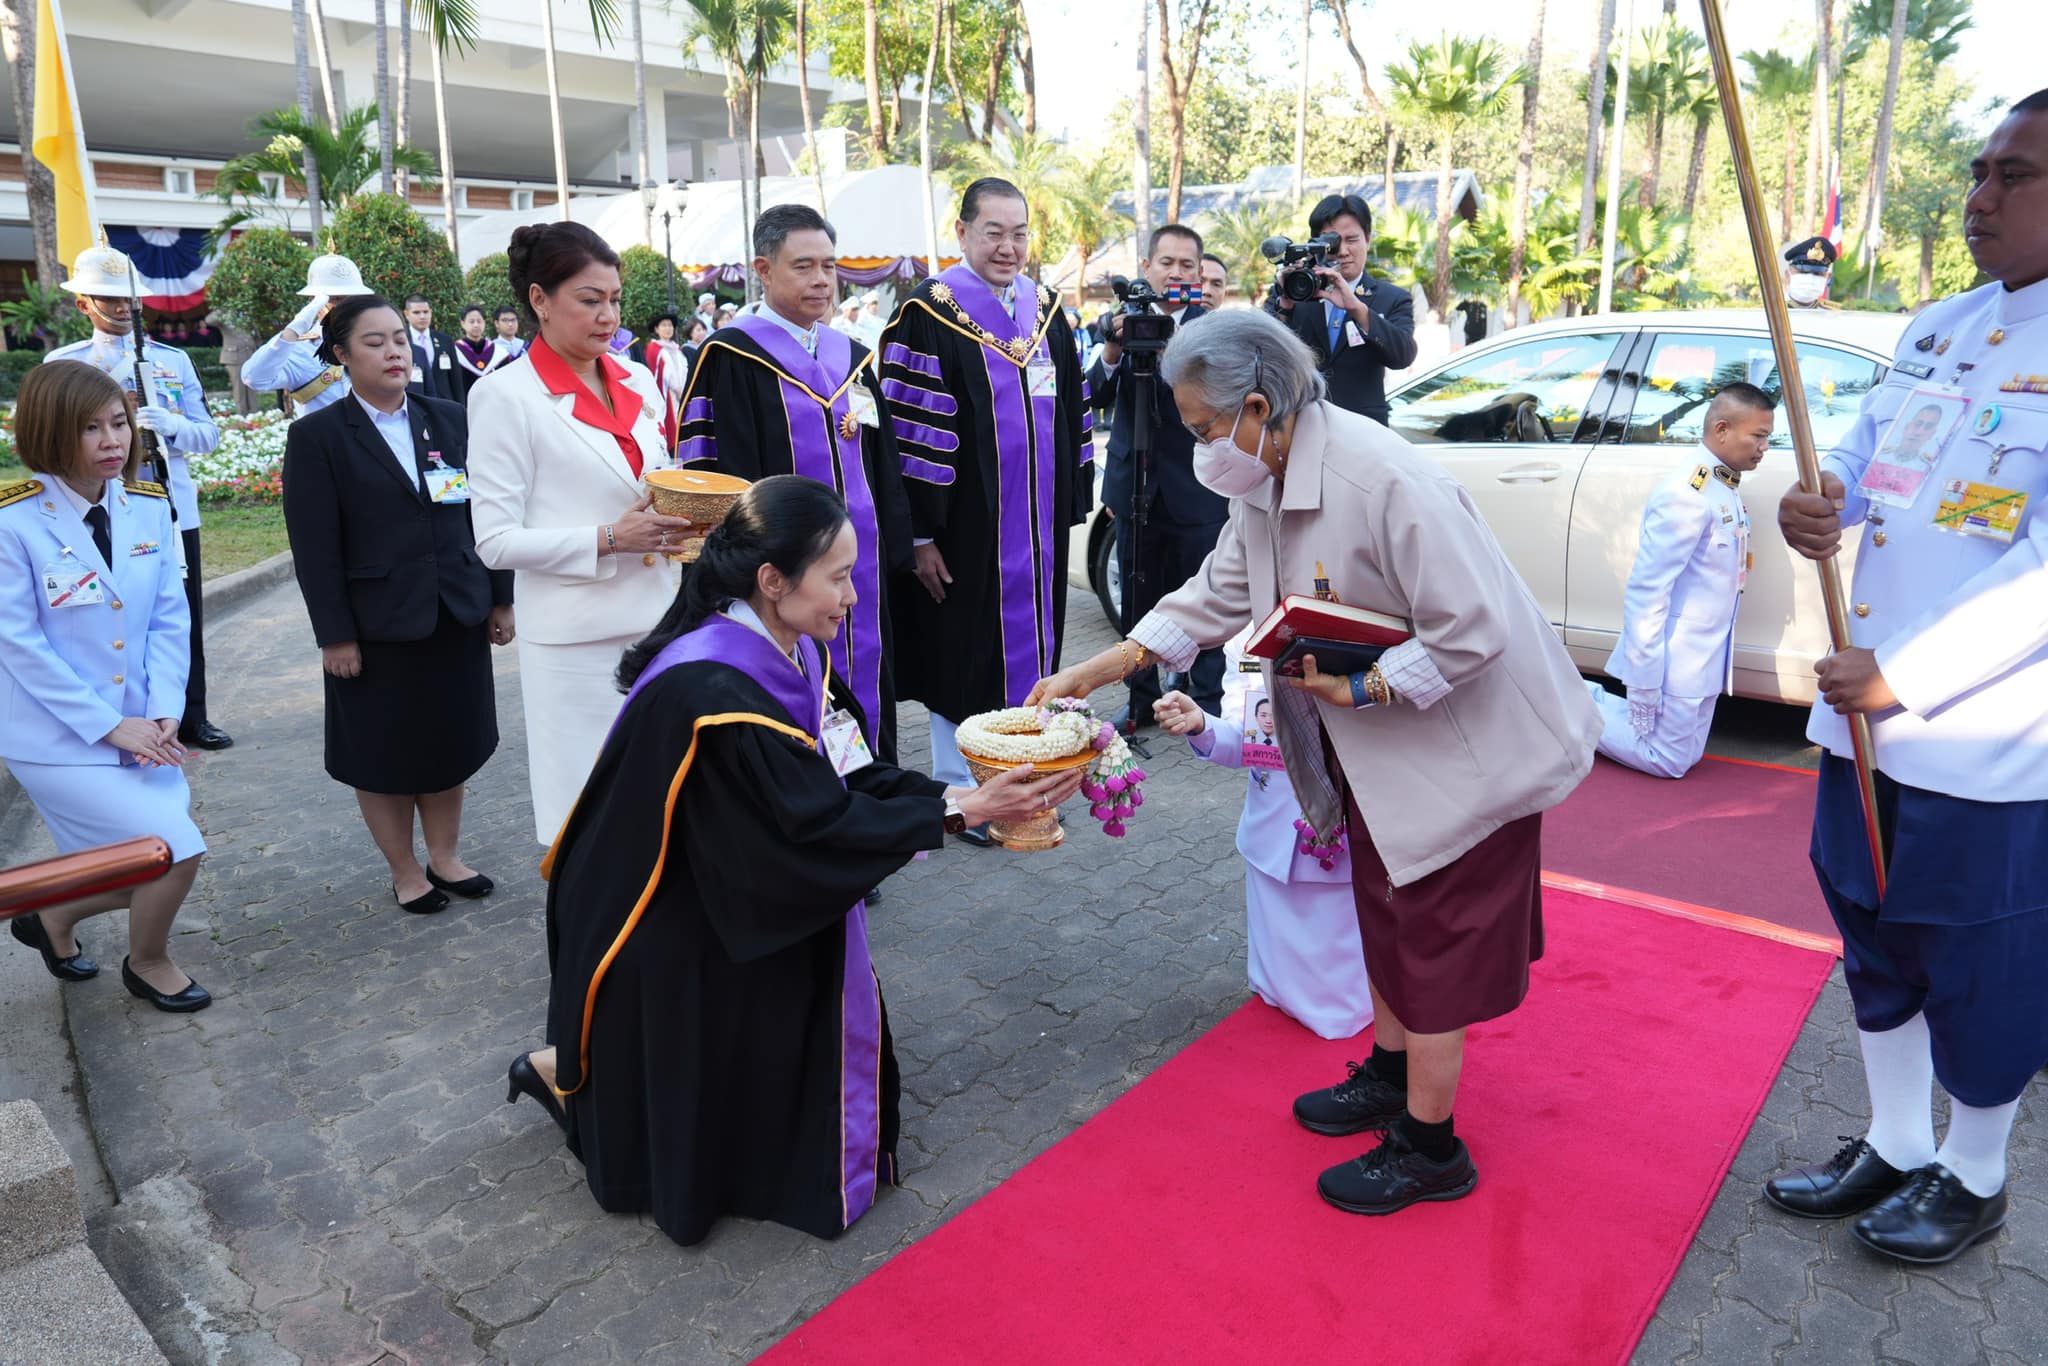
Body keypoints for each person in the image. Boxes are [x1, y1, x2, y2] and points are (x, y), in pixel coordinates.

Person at [1030, 309, 1598, 1216]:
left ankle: (1431, 1145)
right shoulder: (1267, 474)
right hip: (1381, 755)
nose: (1203, 449)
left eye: (1205, 429)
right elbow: (1215, 592)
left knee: (1435, 940)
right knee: (1382, 909)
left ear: (1259, 405)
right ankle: (1388, 1069)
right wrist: (1098, 670)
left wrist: (1368, 686)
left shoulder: (1383, 478)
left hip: (1465, 753)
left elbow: (1474, 627)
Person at [505, 475, 1085, 1246]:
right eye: (839, 577)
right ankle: (578, 1086)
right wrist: (961, 811)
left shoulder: (786, 645)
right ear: (772, 580)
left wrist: (960, 787)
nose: (852, 595)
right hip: (662, 916)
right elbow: (805, 833)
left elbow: (845, 770)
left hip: (731, 884)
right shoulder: (712, 689)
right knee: (778, 967)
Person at [1763, 89, 2048, 1266]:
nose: (1976, 198)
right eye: (1978, 171)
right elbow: (1870, 462)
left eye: (2011, 177)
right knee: (1872, 930)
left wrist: (1911, 680)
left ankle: (1972, 1174)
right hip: (1860, 714)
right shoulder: (1937, 326)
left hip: (1980, 732)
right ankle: (1891, 1139)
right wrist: (1809, 498)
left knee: (1978, 963)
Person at [281, 294, 516, 916]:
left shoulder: (448, 417)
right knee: (383, 753)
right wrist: (335, 635)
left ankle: (445, 856)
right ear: (341, 356)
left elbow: (485, 514)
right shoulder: (318, 438)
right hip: (375, 626)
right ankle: (405, 869)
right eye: (375, 342)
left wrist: (500, 596)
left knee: (448, 744)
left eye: (399, 340)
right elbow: (315, 548)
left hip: (455, 611)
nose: (393, 351)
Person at [876, 177, 1091, 833]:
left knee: (1035, 644)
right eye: (993, 231)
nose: (1008, 246)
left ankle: (1028, 778)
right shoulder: (928, 312)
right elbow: (909, 435)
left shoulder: (1046, 308)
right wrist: (916, 537)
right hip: (966, 530)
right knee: (960, 650)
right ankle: (960, 790)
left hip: (1035, 527)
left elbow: (1073, 413)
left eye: (1020, 232)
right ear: (962, 233)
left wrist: (1068, 504)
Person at [468, 221, 690, 844]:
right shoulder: (505, 397)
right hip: (575, 642)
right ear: (539, 300)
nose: (608, 315)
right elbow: (495, 540)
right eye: (589, 300)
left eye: (615, 300)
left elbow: (652, 476)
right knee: (591, 819)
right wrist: (611, 538)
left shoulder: (636, 379)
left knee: (667, 804)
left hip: (660, 621)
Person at [0, 363, 211, 1012]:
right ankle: (148, 961)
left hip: (142, 728)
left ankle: (52, 917)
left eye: (118, 423)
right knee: (172, 851)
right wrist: (107, 723)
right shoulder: (14, 521)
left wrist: (165, 710)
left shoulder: (146, 506)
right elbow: (18, 644)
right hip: (54, 737)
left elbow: (169, 619)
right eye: (89, 428)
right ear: (49, 432)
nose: (110, 440)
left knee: (144, 864)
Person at [676, 204, 913, 761]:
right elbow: (715, 474)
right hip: (782, 577)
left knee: (869, 682)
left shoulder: (852, 357)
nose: (821, 281)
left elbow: (883, 462)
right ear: (763, 269)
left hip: (862, 571)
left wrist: (899, 545)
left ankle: (874, 807)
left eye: (829, 267)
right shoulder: (731, 357)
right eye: (803, 266)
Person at [44, 241, 232, 753]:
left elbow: (207, 436)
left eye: (130, 299)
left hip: (167, 509)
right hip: (96, 508)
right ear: (84, 304)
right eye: (110, 299)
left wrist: (171, 425)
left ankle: (191, 716)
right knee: (107, 614)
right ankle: (113, 716)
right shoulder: (65, 366)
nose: (124, 308)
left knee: (179, 614)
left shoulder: (171, 360)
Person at [1158, 645, 1375, 1040]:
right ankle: (1277, 992)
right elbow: (1245, 740)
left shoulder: (1354, 633)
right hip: (1269, 831)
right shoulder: (1246, 642)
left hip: (1343, 833)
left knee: (1339, 969)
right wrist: (1200, 724)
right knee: (1274, 961)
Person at [1587, 383, 1774, 779]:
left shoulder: (1721, 486)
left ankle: (1587, 701)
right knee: (1667, 761)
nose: (1764, 447)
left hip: (1704, 659)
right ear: (1722, 429)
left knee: (1687, 757)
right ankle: (1571, 707)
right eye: (1758, 436)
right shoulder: (1687, 494)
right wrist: (1643, 679)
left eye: (1767, 437)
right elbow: (1648, 591)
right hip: (1676, 661)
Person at [1090, 222, 1227, 732]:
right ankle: (1141, 698)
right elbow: (1095, 396)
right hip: (1135, 490)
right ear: (1146, 268)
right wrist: (1112, 348)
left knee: (1206, 599)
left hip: (1199, 491)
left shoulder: (1211, 329)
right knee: (1138, 601)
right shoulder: (1126, 324)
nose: (1175, 273)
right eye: (1165, 263)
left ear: (1198, 271)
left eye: (1186, 265)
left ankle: (1206, 697)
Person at [1265, 193, 1417, 425]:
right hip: (1300, 427)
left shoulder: (1393, 298)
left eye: (1352, 239)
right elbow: (1259, 354)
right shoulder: (1292, 291)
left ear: (1368, 238)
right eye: (1333, 242)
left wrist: (1358, 309)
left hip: (1365, 430)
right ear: (1315, 245)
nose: (1343, 250)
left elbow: (1403, 356)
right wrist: (1285, 305)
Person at [241, 248, 376, 416]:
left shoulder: (375, 343)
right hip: (324, 441)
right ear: (314, 301)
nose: (344, 306)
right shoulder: (301, 349)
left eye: (350, 298)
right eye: (334, 299)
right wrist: (297, 326)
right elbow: (254, 378)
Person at [642, 312, 688, 453]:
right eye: (664, 325)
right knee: (670, 430)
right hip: (666, 396)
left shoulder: (677, 348)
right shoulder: (653, 349)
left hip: (683, 394)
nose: (668, 328)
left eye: (670, 326)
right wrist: (676, 389)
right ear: (657, 329)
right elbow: (657, 374)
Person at [403, 294, 458, 401]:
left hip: (444, 402)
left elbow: (455, 378)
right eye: (416, 313)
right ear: (406, 314)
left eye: (425, 312)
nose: (422, 316)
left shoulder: (445, 341)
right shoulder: (401, 341)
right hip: (415, 402)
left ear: (431, 312)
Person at [208, 309, 257, 415]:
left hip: (250, 356)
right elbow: (209, 320)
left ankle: (254, 413)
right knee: (239, 388)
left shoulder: (247, 315)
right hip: (234, 357)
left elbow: (255, 335)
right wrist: (223, 308)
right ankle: (242, 414)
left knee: (252, 386)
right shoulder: (225, 316)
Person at [450, 304, 497, 402]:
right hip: (465, 403)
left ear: (484, 323)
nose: (476, 325)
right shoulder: (454, 351)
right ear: (462, 323)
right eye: (471, 321)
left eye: (479, 321)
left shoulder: (497, 352)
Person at [1784, 235, 1840, 309]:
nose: (1811, 278)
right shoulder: (1767, 310)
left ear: (1827, 278)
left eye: (1817, 273)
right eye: (1803, 272)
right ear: (1787, 275)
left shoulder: (1835, 314)